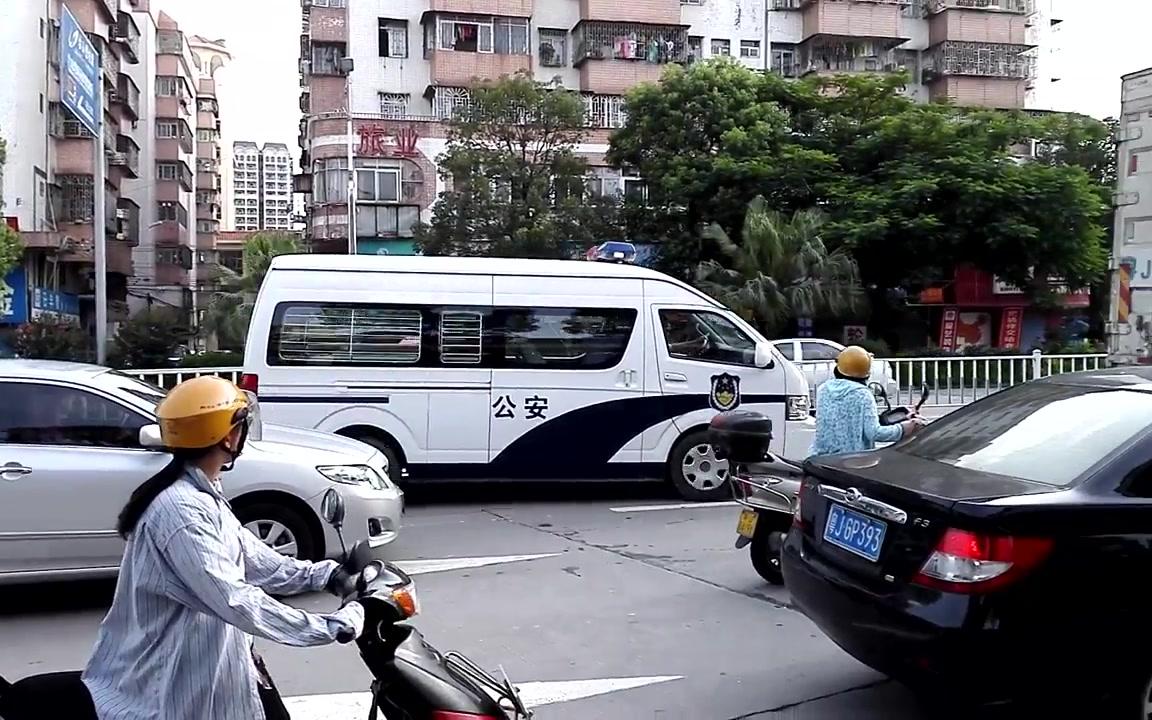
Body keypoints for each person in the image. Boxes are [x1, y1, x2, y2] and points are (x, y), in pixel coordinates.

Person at [81, 376, 365, 720]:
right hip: (170, 688)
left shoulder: (203, 495)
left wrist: (328, 574)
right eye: (241, 425)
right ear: (228, 436)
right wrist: (334, 626)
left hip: (217, 672)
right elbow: (235, 600)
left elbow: (258, 562)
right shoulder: (181, 511)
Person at [809, 345, 923, 458]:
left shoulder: (823, 390)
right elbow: (874, 433)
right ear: (866, 373)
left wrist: (898, 417)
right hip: (849, 462)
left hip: (820, 458)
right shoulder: (863, 394)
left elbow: (847, 420)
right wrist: (904, 428)